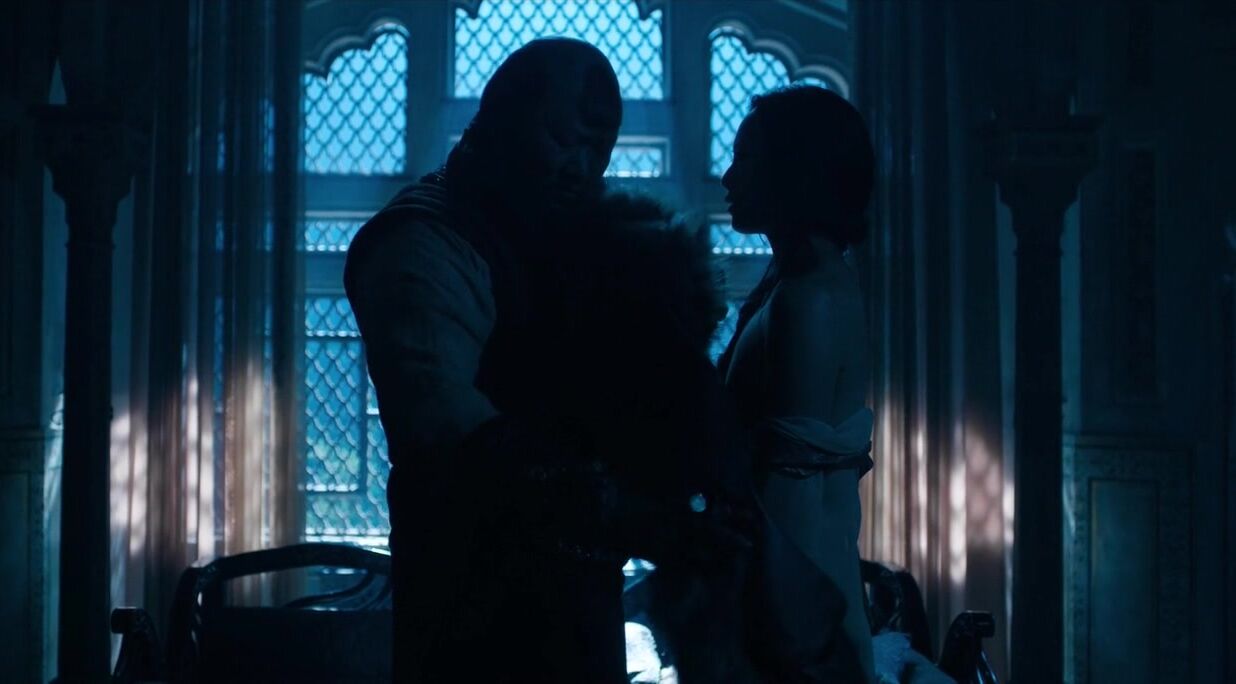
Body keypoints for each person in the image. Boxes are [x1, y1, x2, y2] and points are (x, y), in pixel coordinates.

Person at [345, 38, 751, 683]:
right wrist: (635, 516)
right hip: (473, 614)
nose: (581, 166)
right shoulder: (423, 243)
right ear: (500, 120)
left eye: (599, 149)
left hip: (577, 597)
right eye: (561, 139)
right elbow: (452, 435)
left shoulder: (559, 231)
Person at [717, 85, 878, 682]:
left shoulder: (809, 300)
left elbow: (793, 503)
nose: (728, 178)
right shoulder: (793, 285)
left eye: (746, 160)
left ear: (793, 170)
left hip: (798, 625)